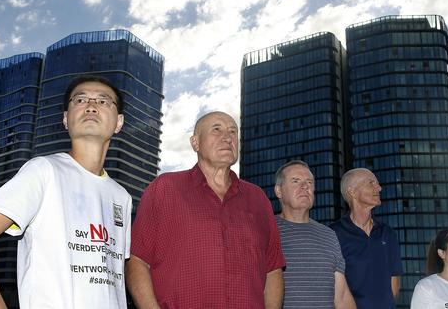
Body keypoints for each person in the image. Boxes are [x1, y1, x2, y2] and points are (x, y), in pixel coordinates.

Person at [0, 75, 132, 308]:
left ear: (119, 122)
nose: (91, 105)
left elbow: (112, 275)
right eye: (80, 100)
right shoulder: (44, 170)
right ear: (66, 119)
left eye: (103, 101)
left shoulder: (121, 196)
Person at [126, 111, 285, 309]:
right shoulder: (165, 188)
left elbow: (273, 269)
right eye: (216, 129)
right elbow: (138, 260)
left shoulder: (258, 198)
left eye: (233, 132)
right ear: (195, 143)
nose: (227, 137)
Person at [274, 160, 356, 309]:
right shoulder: (266, 231)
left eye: (309, 182)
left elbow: (342, 295)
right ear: (278, 191)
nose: (305, 186)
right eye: (295, 181)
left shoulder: (329, 235)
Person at [329, 168, 403, 309]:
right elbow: (333, 290)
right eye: (371, 183)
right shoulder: (332, 234)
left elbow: (394, 284)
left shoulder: (388, 233)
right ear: (352, 191)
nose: (379, 188)